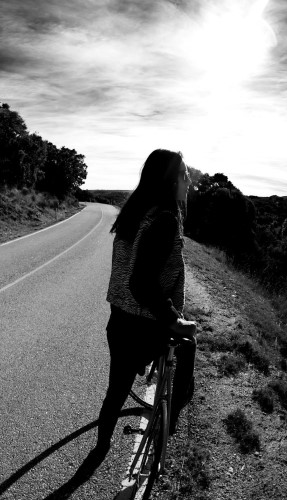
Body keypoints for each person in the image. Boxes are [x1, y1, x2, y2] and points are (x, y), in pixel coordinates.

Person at [95, 149, 198, 453]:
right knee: (189, 342)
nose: (189, 181)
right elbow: (141, 283)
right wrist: (174, 320)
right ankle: (171, 420)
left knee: (116, 392)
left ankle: (100, 448)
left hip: (119, 322)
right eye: (184, 175)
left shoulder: (135, 213)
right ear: (169, 180)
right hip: (147, 326)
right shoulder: (164, 221)